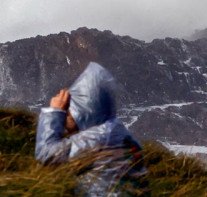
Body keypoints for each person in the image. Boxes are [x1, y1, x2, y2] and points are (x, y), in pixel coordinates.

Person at [36, 62, 146, 196]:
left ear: (83, 109)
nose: (66, 113)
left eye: (69, 107)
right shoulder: (118, 133)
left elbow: (46, 154)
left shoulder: (97, 137)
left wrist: (54, 112)